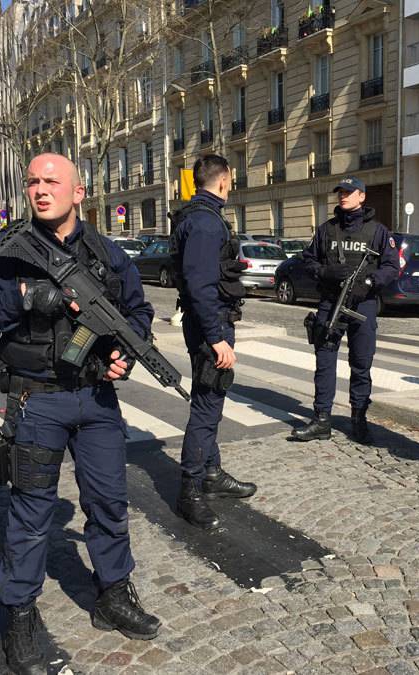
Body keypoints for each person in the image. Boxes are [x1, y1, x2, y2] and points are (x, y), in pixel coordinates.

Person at [0, 153, 160, 674]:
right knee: (30, 514)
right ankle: (19, 612)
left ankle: (113, 592)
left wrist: (123, 356)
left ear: (79, 192)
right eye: (33, 182)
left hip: (96, 401)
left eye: (52, 181)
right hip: (34, 400)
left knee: (110, 502)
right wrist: (21, 297)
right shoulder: (0, 252)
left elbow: (137, 313)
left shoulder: (108, 254)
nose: (41, 190)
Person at [170, 154, 256, 530]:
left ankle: (212, 473)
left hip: (207, 323)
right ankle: (190, 491)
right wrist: (217, 338)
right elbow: (201, 286)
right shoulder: (206, 223)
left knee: (212, 402)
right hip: (211, 326)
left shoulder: (194, 216)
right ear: (225, 179)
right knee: (206, 408)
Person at [291, 176, 399, 444]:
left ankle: (359, 420)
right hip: (331, 301)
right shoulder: (327, 230)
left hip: (363, 303)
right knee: (324, 363)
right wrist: (325, 271)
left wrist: (372, 281)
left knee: (361, 364)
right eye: (341, 192)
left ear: (362, 196)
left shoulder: (378, 232)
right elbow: (309, 260)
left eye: (349, 192)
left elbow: (391, 267)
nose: (343, 196)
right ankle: (321, 420)